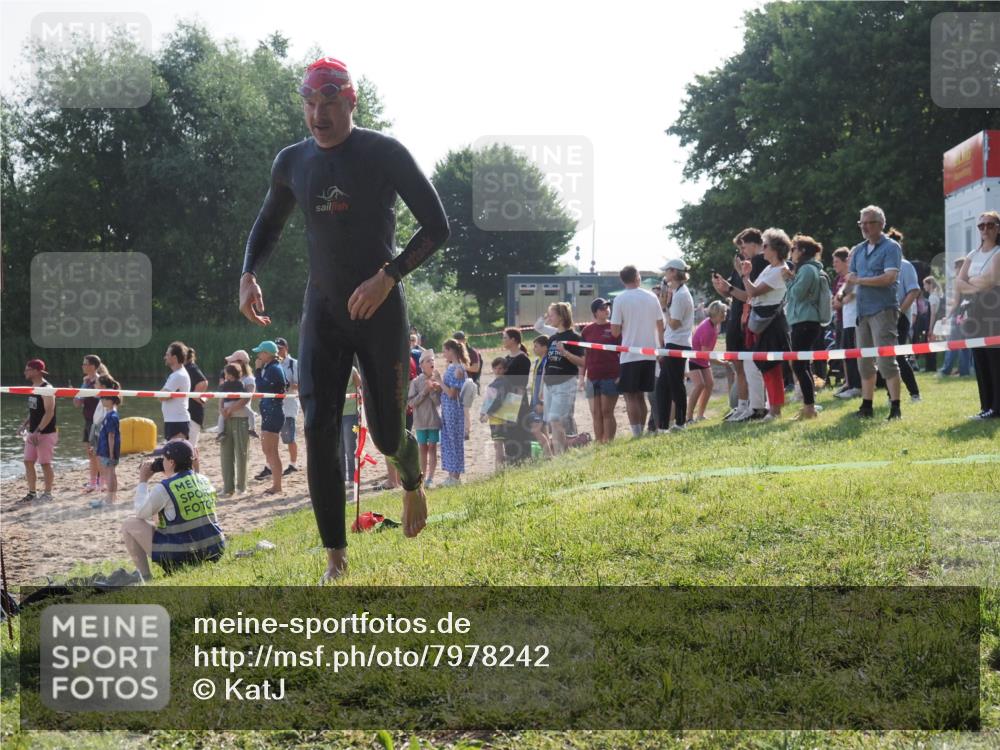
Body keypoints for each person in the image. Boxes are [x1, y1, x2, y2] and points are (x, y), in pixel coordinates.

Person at [240, 57, 448, 581]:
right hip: (324, 313)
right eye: (309, 104)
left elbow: (437, 226)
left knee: (383, 433)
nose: (318, 115)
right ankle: (335, 558)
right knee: (318, 426)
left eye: (328, 104)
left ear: (350, 102)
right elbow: (267, 224)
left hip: (380, 312)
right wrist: (248, 274)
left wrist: (389, 276)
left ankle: (411, 482)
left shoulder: (383, 153)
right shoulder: (292, 162)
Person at [120, 440, 225, 580]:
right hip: (214, 550)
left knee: (129, 524)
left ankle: (145, 577)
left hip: (184, 557)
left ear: (171, 462)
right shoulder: (204, 480)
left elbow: (140, 513)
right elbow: (186, 490)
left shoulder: (165, 488)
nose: (161, 462)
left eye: (163, 458)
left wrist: (143, 481)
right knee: (161, 511)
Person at [846, 205, 903, 420]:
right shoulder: (858, 249)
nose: (865, 227)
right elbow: (851, 278)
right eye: (862, 223)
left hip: (883, 310)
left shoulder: (891, 247)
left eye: (869, 222)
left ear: (881, 224)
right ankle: (866, 406)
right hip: (863, 311)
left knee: (887, 360)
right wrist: (843, 294)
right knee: (864, 361)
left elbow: (889, 278)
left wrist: (859, 281)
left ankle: (895, 407)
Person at [711, 228, 770, 422]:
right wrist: (722, 288)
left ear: (754, 244)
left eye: (743, 247)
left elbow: (748, 295)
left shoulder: (759, 264)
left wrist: (730, 287)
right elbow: (732, 293)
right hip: (736, 318)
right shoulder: (743, 265)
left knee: (749, 366)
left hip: (749, 321)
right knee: (739, 365)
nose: (742, 252)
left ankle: (754, 406)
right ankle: (742, 406)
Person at [739, 228, 793, 421]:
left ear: (776, 248)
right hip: (762, 322)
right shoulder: (769, 269)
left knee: (772, 368)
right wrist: (745, 277)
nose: (763, 248)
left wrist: (745, 276)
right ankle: (773, 408)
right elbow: (751, 294)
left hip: (771, 323)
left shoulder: (779, 271)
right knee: (765, 367)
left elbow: (753, 292)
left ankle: (775, 410)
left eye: (766, 245)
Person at [955, 210, 1000, 419]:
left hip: (993, 308)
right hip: (975, 308)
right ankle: (986, 407)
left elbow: (992, 280)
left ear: (997, 228)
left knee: (994, 359)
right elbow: (958, 281)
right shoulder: (973, 254)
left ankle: (997, 407)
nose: (985, 229)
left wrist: (971, 282)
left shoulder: (998, 252)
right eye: (981, 225)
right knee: (979, 359)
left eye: (990, 225)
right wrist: (976, 283)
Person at [610, 265, 664, 437]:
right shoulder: (651, 297)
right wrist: (660, 347)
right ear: (637, 278)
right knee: (641, 395)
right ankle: (641, 430)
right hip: (649, 352)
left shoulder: (620, 299)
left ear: (623, 280)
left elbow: (615, 332)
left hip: (630, 353)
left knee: (631, 396)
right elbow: (660, 324)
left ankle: (636, 433)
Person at [785, 235, 828, 420]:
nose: (791, 253)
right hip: (803, 321)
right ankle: (809, 407)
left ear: (801, 251)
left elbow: (797, 294)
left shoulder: (808, 269)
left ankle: (809, 408)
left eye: (793, 249)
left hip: (805, 322)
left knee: (799, 365)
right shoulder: (807, 269)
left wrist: (788, 280)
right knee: (802, 365)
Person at [656, 259, 695, 431]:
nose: (665, 274)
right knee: (664, 386)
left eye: (667, 271)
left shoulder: (681, 295)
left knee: (675, 385)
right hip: (674, 343)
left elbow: (674, 324)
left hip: (677, 344)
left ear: (674, 272)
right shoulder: (679, 292)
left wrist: (664, 308)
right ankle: (664, 425)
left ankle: (680, 422)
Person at [541, 302, 584, 454]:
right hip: (549, 384)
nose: (549, 318)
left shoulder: (574, 337)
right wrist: (542, 386)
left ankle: (561, 454)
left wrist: (565, 352)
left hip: (565, 383)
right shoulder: (552, 337)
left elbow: (583, 362)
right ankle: (561, 453)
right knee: (553, 422)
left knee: (556, 419)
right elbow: (548, 362)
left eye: (551, 315)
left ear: (561, 316)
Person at [884, 228, 922, 402]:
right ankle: (891, 394)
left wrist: (898, 313)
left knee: (898, 356)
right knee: (885, 357)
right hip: (884, 317)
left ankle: (914, 393)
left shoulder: (905, 265)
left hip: (901, 317)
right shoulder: (883, 265)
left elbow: (914, 291)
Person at [580, 298, 621, 443]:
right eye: (603, 308)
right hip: (592, 376)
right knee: (596, 413)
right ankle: (598, 442)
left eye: (608, 307)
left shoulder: (615, 328)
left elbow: (622, 352)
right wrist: (582, 377)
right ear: (595, 312)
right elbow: (584, 355)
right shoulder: (587, 330)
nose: (607, 310)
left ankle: (608, 442)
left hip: (610, 375)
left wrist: (620, 374)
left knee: (606, 411)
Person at [18, 359, 57, 503]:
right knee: (28, 461)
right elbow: (33, 410)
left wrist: (38, 431)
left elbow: (49, 412)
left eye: (27, 369)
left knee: (45, 463)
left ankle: (48, 493)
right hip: (33, 431)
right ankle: (32, 493)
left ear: (36, 371)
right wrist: (24, 424)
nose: (25, 372)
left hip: (45, 432)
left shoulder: (47, 387)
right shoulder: (33, 387)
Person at [253, 341, 287, 494]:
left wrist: (257, 370)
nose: (258, 356)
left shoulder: (273, 368)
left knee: (271, 450)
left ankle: (277, 486)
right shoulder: (273, 367)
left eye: (260, 353)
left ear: (267, 353)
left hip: (273, 413)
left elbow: (261, 387)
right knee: (268, 449)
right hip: (270, 412)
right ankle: (276, 484)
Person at [688, 301, 728, 422]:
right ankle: (689, 417)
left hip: (702, 360)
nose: (725, 314)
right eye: (723, 312)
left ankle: (700, 415)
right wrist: (722, 362)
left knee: (709, 384)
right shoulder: (708, 329)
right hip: (693, 359)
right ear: (716, 313)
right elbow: (706, 355)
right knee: (700, 385)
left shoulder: (714, 325)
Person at [497, 328, 533, 463]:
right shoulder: (506, 359)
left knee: (519, 430)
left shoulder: (523, 358)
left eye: (505, 337)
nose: (503, 340)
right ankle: (512, 458)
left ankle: (523, 459)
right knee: (508, 431)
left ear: (513, 340)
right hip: (506, 399)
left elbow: (521, 382)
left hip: (517, 398)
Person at [74, 354, 108, 493]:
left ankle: (101, 482)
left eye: (85, 363)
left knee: (97, 453)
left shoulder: (100, 381)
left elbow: (102, 398)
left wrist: (85, 391)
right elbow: (77, 402)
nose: (83, 366)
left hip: (98, 421)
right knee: (90, 453)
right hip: (88, 420)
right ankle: (93, 482)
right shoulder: (86, 381)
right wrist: (79, 392)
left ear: (93, 366)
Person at [408, 350, 442, 488]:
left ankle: (430, 478)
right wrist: (424, 391)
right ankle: (422, 475)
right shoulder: (416, 382)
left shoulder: (438, 380)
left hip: (433, 420)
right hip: (421, 422)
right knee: (422, 448)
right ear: (421, 365)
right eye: (428, 360)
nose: (431, 362)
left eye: (433, 360)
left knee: (433, 448)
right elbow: (411, 403)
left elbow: (438, 403)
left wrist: (433, 390)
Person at [832, 247, 862, 399]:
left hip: (855, 320)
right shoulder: (849, 278)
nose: (849, 260)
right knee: (847, 354)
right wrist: (840, 298)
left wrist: (840, 298)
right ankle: (851, 384)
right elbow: (838, 297)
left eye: (850, 258)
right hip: (847, 321)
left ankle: (857, 386)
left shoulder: (856, 276)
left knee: (854, 355)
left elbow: (845, 298)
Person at [217, 364, 250, 496]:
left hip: (240, 419)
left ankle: (242, 487)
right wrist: (221, 410)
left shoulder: (247, 380)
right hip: (226, 420)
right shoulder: (226, 383)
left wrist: (231, 409)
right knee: (225, 454)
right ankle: (227, 487)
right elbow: (221, 397)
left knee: (241, 454)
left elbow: (246, 398)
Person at [938, 258, 975, 378]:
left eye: (956, 267)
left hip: (959, 315)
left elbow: (956, 302)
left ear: (961, 267)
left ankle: (946, 370)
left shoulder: (959, 281)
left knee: (952, 343)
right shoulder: (973, 280)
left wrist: (947, 316)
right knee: (965, 345)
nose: (955, 270)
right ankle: (965, 371)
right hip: (971, 315)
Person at [440, 339, 468, 486]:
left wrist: (439, 381)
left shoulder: (458, 369)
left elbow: (452, 393)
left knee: (454, 441)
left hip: (453, 409)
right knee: (448, 440)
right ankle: (451, 474)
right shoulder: (452, 367)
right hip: (447, 408)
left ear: (451, 350)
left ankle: (455, 476)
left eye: (445, 350)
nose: (444, 354)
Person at [90, 384, 122, 509]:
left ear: (111, 400)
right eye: (102, 398)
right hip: (106, 448)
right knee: (111, 473)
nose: (102, 400)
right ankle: (111, 497)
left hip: (108, 450)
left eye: (104, 398)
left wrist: (111, 453)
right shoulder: (109, 414)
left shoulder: (111, 416)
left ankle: (110, 498)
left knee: (109, 473)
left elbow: (111, 436)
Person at [275, 337, 300, 476]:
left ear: (286, 348)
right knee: (273, 436)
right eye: (276, 348)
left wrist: (286, 384)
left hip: (289, 405)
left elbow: (299, 385)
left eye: (281, 348)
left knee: (289, 437)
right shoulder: (273, 364)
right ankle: (270, 465)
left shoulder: (293, 363)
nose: (278, 350)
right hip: (276, 405)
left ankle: (293, 464)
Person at [158, 341, 192, 440]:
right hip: (174, 420)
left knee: (175, 454)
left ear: (175, 358)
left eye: (167, 354)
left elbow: (161, 396)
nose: (165, 357)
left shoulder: (177, 375)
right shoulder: (178, 374)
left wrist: (163, 393)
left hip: (177, 421)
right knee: (173, 453)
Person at [480, 357, 509, 471]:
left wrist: (487, 413)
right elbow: (488, 400)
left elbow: (498, 401)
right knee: (497, 444)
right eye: (495, 368)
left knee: (499, 444)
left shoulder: (503, 383)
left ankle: (499, 469)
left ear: (505, 369)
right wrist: (482, 412)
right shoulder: (494, 383)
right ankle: (500, 468)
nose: (498, 371)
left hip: (499, 417)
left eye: (500, 368)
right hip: (494, 418)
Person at [528, 335, 551, 457]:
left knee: (535, 430)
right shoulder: (538, 361)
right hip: (534, 399)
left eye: (536, 346)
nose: (533, 349)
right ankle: (548, 455)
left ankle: (548, 456)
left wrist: (542, 402)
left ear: (545, 347)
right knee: (543, 429)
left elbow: (545, 383)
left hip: (541, 401)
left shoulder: (547, 362)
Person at [341, 362, 363, 488]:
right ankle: (342, 477)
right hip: (337, 414)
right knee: (340, 448)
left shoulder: (352, 370)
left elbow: (360, 388)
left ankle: (352, 477)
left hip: (350, 413)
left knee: (350, 447)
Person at [184, 348, 209, 447]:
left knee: (190, 447)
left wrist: (195, 395)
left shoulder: (191, 368)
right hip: (192, 413)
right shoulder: (188, 368)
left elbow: (204, 382)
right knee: (192, 447)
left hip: (193, 413)